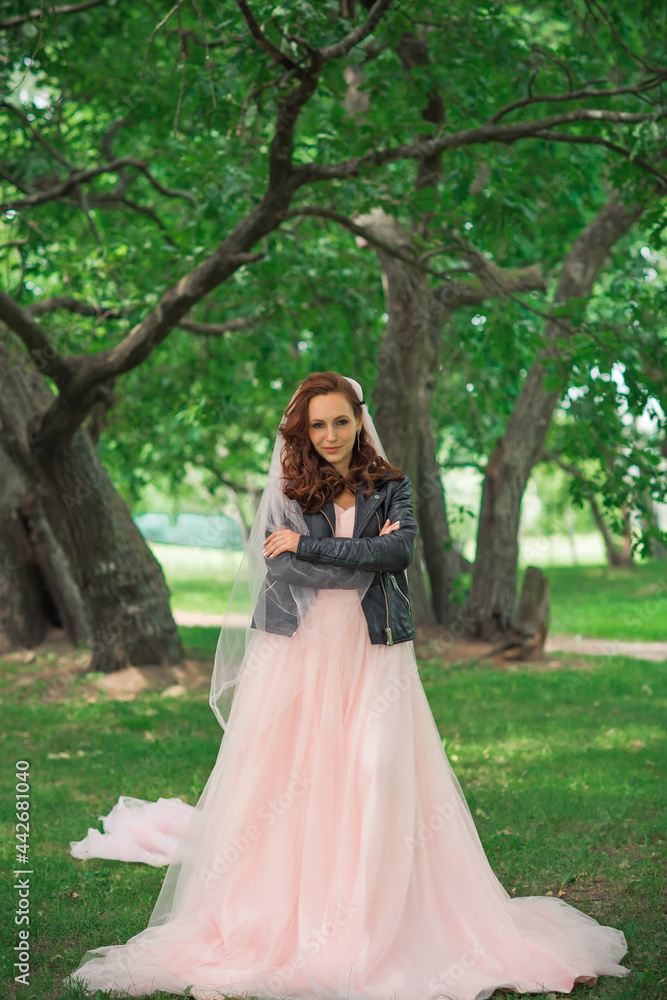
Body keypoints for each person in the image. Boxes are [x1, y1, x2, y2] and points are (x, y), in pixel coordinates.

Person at [65, 372, 630, 1000]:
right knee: (292, 778)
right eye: (317, 424)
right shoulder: (288, 486)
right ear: (302, 431)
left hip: (372, 651)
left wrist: (316, 546)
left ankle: (378, 920)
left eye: (341, 421)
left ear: (359, 420)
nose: (330, 435)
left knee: (375, 772)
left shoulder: (391, 486)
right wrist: (352, 548)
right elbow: (284, 564)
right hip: (301, 650)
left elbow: (397, 556)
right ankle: (288, 917)